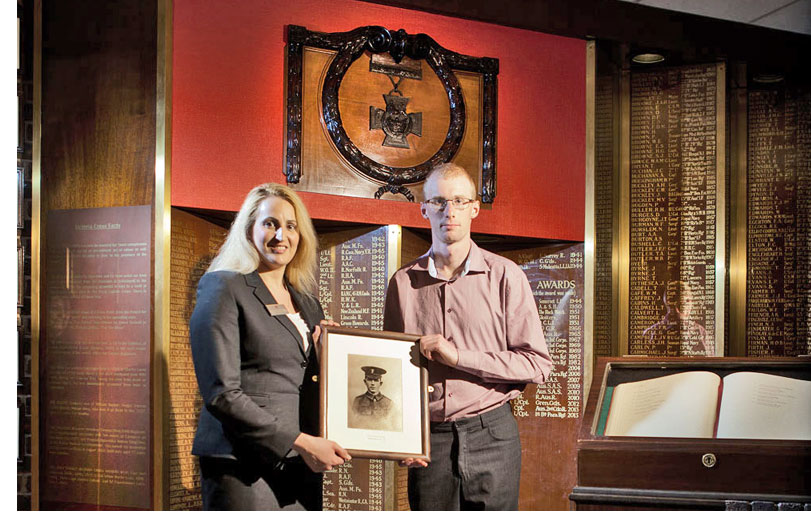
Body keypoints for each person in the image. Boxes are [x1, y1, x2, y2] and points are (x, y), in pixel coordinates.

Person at [383, 163, 553, 510]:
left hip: (492, 432)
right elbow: (392, 371)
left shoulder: (506, 276)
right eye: (439, 202)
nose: (450, 212)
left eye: (460, 201)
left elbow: (537, 365)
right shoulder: (403, 282)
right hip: (431, 440)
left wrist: (459, 357)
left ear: (475, 208)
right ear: (424, 209)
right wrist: (400, 438)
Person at [190, 183, 350, 510]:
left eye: (290, 226)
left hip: (300, 465)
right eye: (270, 223)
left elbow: (304, 381)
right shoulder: (223, 286)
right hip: (241, 465)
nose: (281, 236)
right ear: (249, 229)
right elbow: (222, 394)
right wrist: (299, 441)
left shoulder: (309, 304)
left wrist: (326, 356)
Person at [349, 366, 399, 431]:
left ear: (380, 383)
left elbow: (393, 426)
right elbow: (353, 423)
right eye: (369, 380)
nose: (372, 383)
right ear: (365, 381)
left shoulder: (388, 403)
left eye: (376, 380)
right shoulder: (358, 401)